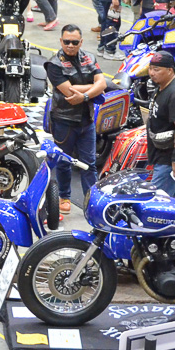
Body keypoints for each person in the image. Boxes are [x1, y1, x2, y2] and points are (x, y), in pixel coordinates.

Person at [44, 26, 105, 212]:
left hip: (87, 120)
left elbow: (102, 83)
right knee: (64, 162)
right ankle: (64, 196)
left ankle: (91, 200)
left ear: (81, 42)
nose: (70, 45)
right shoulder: (54, 64)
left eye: (74, 42)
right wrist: (92, 87)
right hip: (63, 121)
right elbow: (68, 91)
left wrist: (84, 95)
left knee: (89, 164)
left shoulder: (90, 58)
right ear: (61, 41)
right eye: (66, 42)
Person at [145, 52, 175, 200]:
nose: (152, 73)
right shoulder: (162, 86)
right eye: (150, 68)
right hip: (162, 152)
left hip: (169, 156)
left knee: (156, 200)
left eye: (157, 69)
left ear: (170, 70)